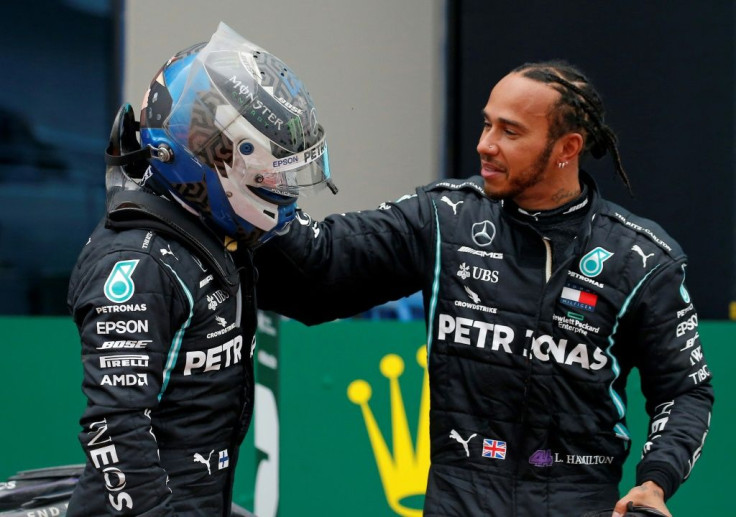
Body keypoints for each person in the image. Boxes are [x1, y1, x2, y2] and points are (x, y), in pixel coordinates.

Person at [253, 60, 714, 516]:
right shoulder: (444, 218)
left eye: (509, 132)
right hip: (459, 497)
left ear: (566, 147)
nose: (485, 145)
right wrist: (254, 192)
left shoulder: (642, 258)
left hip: (579, 499)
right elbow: (321, 267)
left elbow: (685, 391)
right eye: (486, 125)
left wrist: (655, 482)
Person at [66, 22, 335, 516]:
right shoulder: (139, 263)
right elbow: (115, 427)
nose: (283, 187)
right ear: (211, 157)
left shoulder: (207, 228)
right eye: (272, 171)